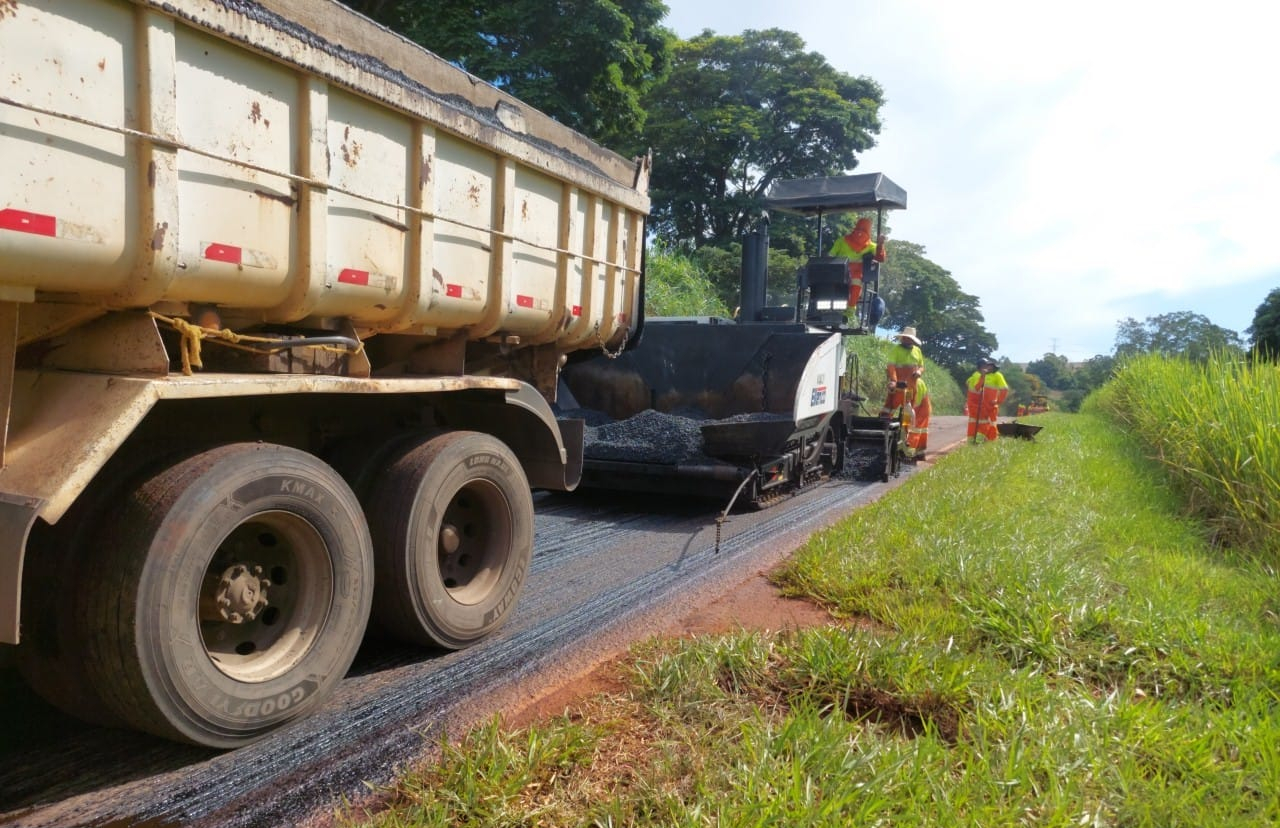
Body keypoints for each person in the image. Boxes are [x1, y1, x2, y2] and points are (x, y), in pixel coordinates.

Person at [828, 217, 886, 313]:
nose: (860, 233)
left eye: (863, 230)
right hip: (839, 273)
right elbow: (830, 257)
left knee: (856, 282)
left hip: (849, 274)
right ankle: (844, 311)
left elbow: (880, 258)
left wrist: (880, 245)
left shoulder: (871, 246)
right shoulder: (842, 241)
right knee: (853, 283)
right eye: (859, 230)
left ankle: (848, 311)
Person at [880, 327, 924, 419]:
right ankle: (883, 424)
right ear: (902, 338)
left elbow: (921, 366)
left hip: (911, 387)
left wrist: (919, 371)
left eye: (909, 339)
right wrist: (893, 380)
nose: (906, 340)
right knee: (890, 406)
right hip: (898, 386)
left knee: (908, 410)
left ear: (912, 340)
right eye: (905, 338)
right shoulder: (896, 349)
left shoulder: (917, 351)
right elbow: (891, 366)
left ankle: (904, 431)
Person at [966, 357, 1009, 443]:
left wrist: (998, 401)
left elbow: (1004, 389)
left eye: (988, 366)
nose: (987, 368)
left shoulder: (997, 376)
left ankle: (989, 442)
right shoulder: (977, 375)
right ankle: (977, 443)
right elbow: (974, 387)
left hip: (989, 406)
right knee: (978, 425)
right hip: (978, 407)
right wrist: (982, 376)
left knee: (990, 424)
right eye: (985, 366)